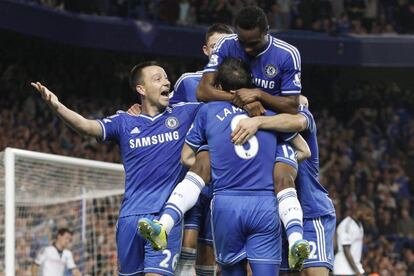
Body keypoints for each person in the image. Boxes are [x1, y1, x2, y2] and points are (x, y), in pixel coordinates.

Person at [138, 57, 311, 276]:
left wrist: (218, 162)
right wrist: (277, 158)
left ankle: (164, 223)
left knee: (204, 155)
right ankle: (296, 235)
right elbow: (305, 150)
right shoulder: (268, 113)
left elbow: (185, 157)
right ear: (250, 87)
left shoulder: (208, 111)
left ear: (219, 87)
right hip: (265, 204)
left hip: (226, 204)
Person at [31, 61, 202, 276]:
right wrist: (56, 106)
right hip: (129, 218)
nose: (166, 81)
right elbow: (86, 126)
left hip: (164, 218)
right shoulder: (124, 122)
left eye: (166, 77)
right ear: (141, 89)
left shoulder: (185, 114)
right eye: (157, 78)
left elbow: (217, 108)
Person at [197, 5, 309, 269]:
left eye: (254, 43)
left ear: (267, 32)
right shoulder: (226, 44)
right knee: (200, 162)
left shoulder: (287, 54)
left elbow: (293, 105)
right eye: (243, 42)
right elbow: (203, 91)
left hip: (273, 130)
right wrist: (241, 100)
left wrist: (258, 95)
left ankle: (296, 238)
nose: (247, 50)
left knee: (284, 175)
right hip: (232, 131)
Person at [231, 95, 337, 276]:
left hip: (311, 213)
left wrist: (257, 121)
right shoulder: (256, 132)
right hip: (274, 217)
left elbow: (299, 120)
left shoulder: (301, 116)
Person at [172, 23, 233, 276]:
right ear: (206, 50)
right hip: (193, 171)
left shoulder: (242, 84)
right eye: (215, 46)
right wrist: (140, 111)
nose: (219, 50)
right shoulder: (188, 82)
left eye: (225, 45)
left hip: (225, 176)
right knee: (188, 239)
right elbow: (167, 115)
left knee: (209, 247)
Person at [333, 202, 374, 276]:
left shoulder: (360, 225)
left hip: (355, 268)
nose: (369, 218)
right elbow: (346, 250)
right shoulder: (346, 224)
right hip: (343, 268)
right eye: (367, 215)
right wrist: (357, 271)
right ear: (360, 211)